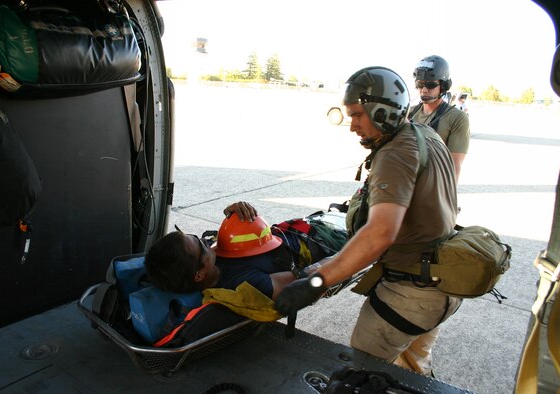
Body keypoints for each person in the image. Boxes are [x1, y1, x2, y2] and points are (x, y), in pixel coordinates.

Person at [274, 66, 462, 376]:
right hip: (443, 284)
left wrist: (316, 282)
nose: (353, 126)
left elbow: (380, 234)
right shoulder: (424, 134)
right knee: (413, 372)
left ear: (383, 111)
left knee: (359, 375)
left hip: (410, 294)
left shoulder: (395, 153)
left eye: (358, 115)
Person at [145, 201, 335, 300]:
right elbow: (307, 280)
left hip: (296, 228)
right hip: (324, 240)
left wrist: (233, 216)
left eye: (195, 236)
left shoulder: (209, 260)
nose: (203, 239)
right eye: (200, 244)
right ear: (199, 274)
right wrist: (342, 259)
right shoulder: (246, 283)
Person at [409, 55, 470, 183]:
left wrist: (447, 200)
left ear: (443, 86)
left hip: (431, 186)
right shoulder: (409, 113)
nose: (424, 90)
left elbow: (454, 166)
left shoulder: (457, 118)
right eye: (420, 84)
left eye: (431, 85)